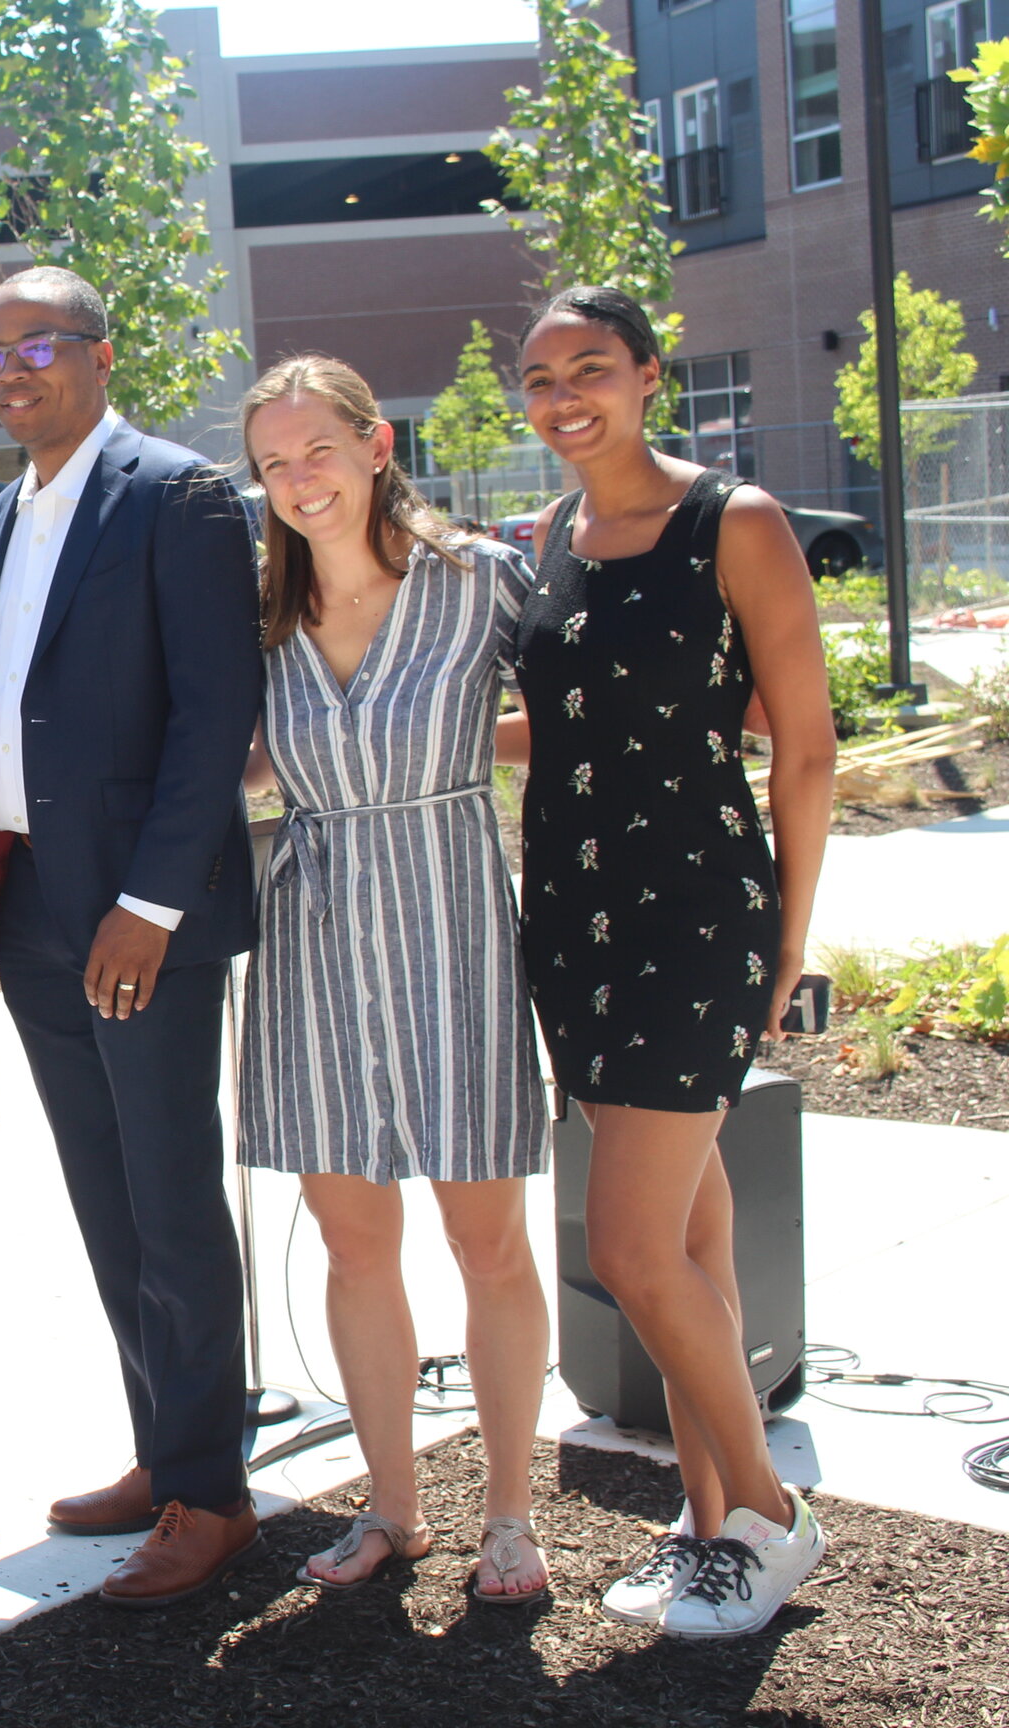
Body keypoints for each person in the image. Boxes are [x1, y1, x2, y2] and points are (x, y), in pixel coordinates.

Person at [514, 287, 834, 1638]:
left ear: (651, 376)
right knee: (692, 1232)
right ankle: (706, 1523)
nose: (563, 394)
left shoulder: (735, 522)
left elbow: (804, 750)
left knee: (635, 1247)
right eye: (540, 378)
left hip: (696, 917)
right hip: (572, 921)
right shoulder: (548, 536)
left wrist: (791, 941)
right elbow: (572, 723)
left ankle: (769, 1515)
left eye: (591, 367)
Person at [0, 265, 266, 1607]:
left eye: (40, 344)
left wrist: (151, 906)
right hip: (33, 908)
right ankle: (165, 1450)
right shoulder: (8, 506)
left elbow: (214, 717)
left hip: (135, 918)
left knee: (171, 1196)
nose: (13, 368)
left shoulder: (177, 496)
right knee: (104, 1200)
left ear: (100, 356)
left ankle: (213, 1494)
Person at [233, 356, 552, 1604]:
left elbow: (583, 704)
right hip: (313, 938)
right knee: (358, 1248)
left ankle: (513, 1518)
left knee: (489, 1244)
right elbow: (250, 763)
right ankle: (394, 1510)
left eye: (317, 450)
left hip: (455, 921)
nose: (297, 479)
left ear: (376, 446)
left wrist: (474, 741)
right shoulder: (256, 615)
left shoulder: (478, 585)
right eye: (272, 462)